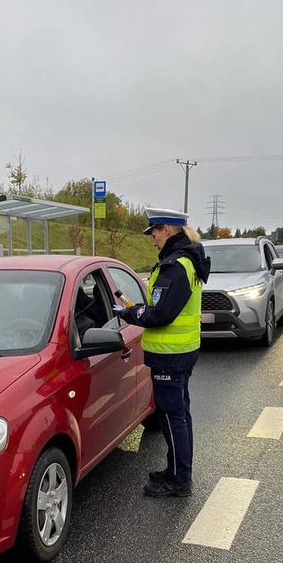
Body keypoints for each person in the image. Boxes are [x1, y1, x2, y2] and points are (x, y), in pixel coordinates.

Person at [114, 207, 210, 498]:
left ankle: (180, 481)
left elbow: (160, 314)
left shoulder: (176, 265)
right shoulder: (185, 260)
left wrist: (129, 313)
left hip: (171, 355)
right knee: (180, 414)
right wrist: (136, 310)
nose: (152, 238)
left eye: (154, 232)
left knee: (172, 417)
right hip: (181, 351)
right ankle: (176, 470)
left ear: (167, 229)